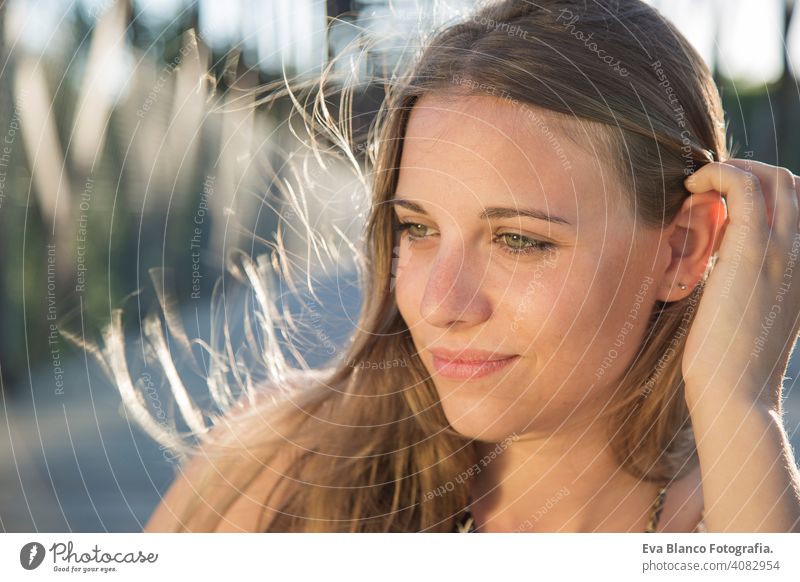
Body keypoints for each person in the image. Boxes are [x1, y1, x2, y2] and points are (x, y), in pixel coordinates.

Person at [111, 0, 800, 532]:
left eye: (519, 240)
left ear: (681, 249)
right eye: (417, 228)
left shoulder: (745, 516)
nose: (441, 303)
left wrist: (738, 404)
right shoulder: (280, 468)